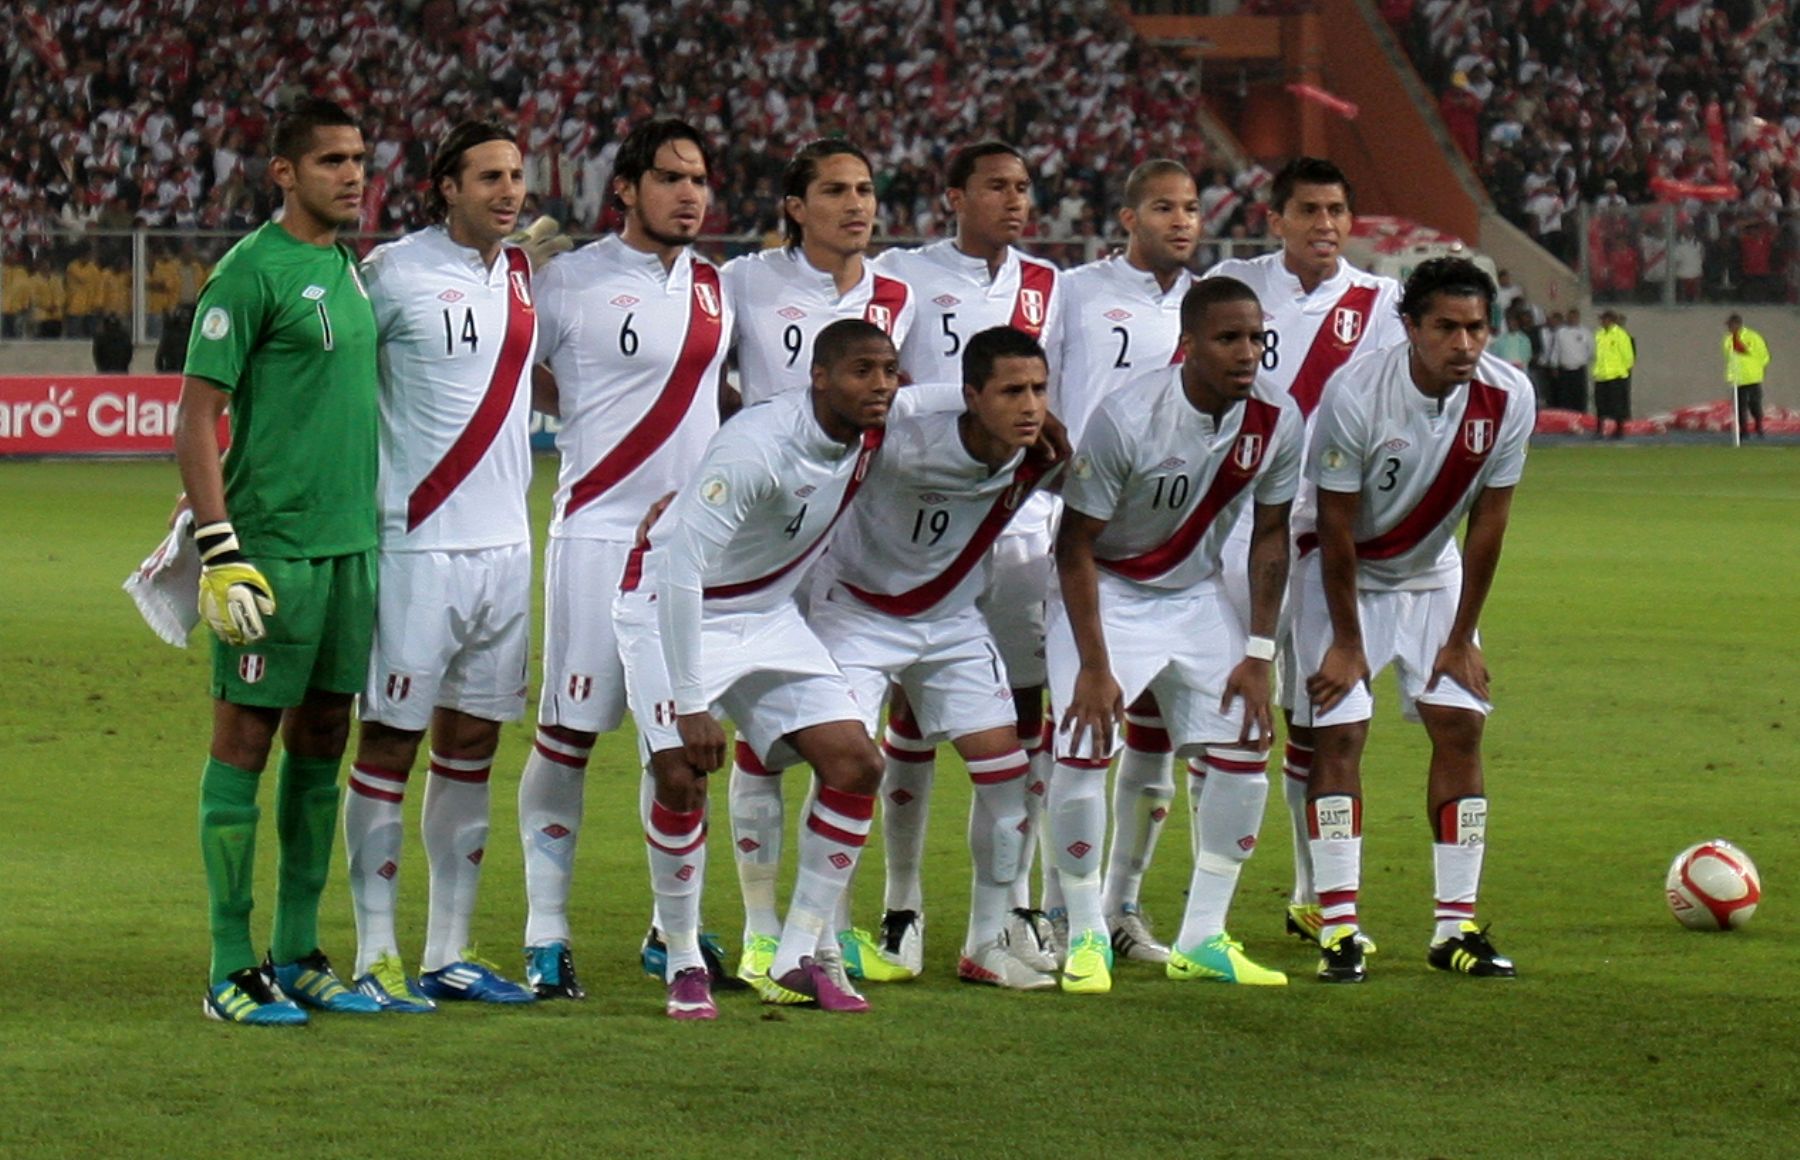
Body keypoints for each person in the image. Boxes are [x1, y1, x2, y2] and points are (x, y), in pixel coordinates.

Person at [614, 320, 919, 1019]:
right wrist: (691, 704)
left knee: (857, 765)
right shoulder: (755, 446)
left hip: (767, 613)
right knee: (681, 776)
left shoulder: (876, 425)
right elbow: (683, 570)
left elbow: (938, 404)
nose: (880, 386)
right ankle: (685, 959)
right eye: (861, 371)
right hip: (668, 605)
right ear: (819, 377)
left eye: (889, 370)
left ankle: (799, 953)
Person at [514, 118, 733, 999]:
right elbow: (507, 367)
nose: (689, 193)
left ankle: (669, 930)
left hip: (695, 556)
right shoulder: (568, 280)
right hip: (597, 538)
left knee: (682, 746)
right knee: (568, 736)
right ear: (628, 190)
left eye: (700, 179)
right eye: (672, 178)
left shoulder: (720, 288)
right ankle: (544, 930)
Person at [174, 97, 382, 1026]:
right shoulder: (247, 273)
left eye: (361, 160)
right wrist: (220, 549)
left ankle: (297, 951)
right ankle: (229, 966)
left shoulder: (347, 268)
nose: (353, 174)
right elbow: (193, 420)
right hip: (274, 552)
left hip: (351, 548)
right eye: (333, 160)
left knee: (324, 740)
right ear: (285, 174)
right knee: (245, 742)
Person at [1050, 277, 1303, 994]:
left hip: (1192, 594)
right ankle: (1086, 933)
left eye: (1256, 337)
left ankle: (1203, 937)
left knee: (1247, 738)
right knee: (1085, 739)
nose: (1248, 352)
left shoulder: (1277, 418)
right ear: (1188, 346)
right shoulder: (1128, 417)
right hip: (1108, 587)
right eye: (1229, 339)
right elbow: (1073, 545)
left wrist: (1259, 652)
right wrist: (1095, 667)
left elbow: (1273, 534)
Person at [339, 121, 539, 1013]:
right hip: (417, 546)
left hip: (507, 549)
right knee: (389, 741)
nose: (509, 191)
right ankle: (375, 953)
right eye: (489, 177)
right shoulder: (389, 274)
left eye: (517, 176)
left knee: (473, 748)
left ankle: (448, 952)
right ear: (444, 187)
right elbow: (327, 378)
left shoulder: (524, 277)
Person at [855, 141, 1065, 980]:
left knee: (1017, 716)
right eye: (996, 187)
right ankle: (901, 905)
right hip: (907, 525)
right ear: (954, 196)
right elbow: (873, 377)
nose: (1014, 201)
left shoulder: (1054, 285)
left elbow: (1057, 398)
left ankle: (1012, 912)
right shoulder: (902, 276)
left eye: (1023, 188)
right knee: (907, 717)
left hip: (1013, 528)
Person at [1293, 257, 1534, 984]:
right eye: (1447, 328)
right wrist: (1345, 640)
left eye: (1477, 328)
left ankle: (1454, 928)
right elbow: (1334, 526)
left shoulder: (1509, 396)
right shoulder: (1357, 392)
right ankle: (1338, 928)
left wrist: (1461, 638)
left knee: (1461, 724)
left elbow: (1489, 527)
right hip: (1343, 573)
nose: (1465, 344)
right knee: (1340, 732)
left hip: (1433, 573)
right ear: (1410, 328)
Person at [807, 325, 1063, 989]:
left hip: (949, 619)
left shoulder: (1039, 454)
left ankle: (985, 942)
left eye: (1039, 389)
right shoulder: (898, 436)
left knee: (1006, 775)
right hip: (858, 612)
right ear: (971, 396)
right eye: (1013, 391)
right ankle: (823, 940)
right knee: (846, 767)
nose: (1030, 405)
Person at [717, 139, 916, 979]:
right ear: (795, 206)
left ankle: (820, 927)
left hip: (857, 548)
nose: (855, 205)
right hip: (762, 547)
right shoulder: (741, 284)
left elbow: (916, 403)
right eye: (834, 190)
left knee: (848, 740)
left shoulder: (903, 294)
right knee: (760, 743)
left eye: (865, 189)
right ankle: (764, 924)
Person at [1203, 156, 1407, 950]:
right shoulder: (1234, 283)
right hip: (1239, 522)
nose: (1325, 224)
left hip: (1327, 531)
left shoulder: (1382, 301)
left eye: (1336, 210)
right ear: (1275, 218)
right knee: (1230, 710)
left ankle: (1309, 891)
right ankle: (1201, 908)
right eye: (1309, 210)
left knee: (1315, 715)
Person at [1050, 157, 1201, 963]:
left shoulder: (1206, 305)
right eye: (1163, 208)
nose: (1180, 221)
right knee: (1065, 724)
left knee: (1156, 734)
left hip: (1171, 540)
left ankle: (1121, 908)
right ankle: (1047, 915)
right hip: (1073, 526)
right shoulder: (1075, 292)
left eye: (1190, 208)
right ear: (1127, 219)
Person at [1724, 313, 1770, 439]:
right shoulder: (1728, 339)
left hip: (1752, 377)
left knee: (1754, 404)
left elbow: (1763, 355)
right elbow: (1729, 357)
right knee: (1739, 406)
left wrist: (1757, 368)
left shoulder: (1752, 337)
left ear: (1737, 324)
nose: (1729, 328)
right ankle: (1744, 431)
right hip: (1738, 378)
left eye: (1731, 325)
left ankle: (1759, 426)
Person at [1592, 309, 1635, 439]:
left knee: (1617, 404)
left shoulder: (1621, 335)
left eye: (1605, 319)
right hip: (1601, 375)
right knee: (1600, 404)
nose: (1602, 322)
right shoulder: (1598, 335)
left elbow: (1628, 356)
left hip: (1616, 375)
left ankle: (1619, 429)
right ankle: (1600, 429)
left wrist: (1623, 369)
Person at [1549, 306, 1592, 412]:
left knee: (1579, 398)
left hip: (1579, 370)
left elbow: (1591, 349)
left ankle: (1581, 420)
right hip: (1564, 370)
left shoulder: (1585, 332)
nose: (1572, 319)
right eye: (1570, 317)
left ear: (1578, 318)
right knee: (1564, 399)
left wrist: (1583, 360)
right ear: (1567, 318)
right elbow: (1556, 350)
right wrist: (1554, 365)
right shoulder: (1560, 332)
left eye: (1575, 317)